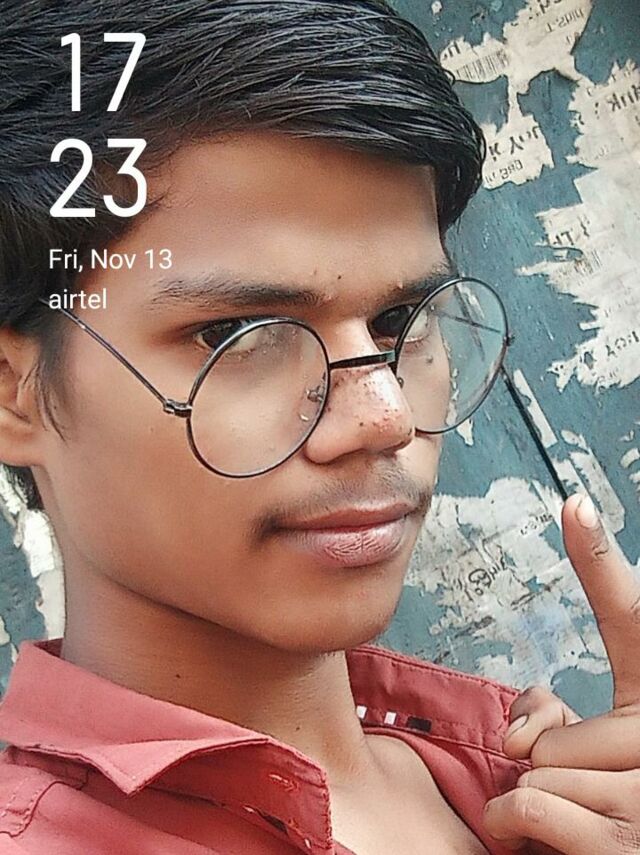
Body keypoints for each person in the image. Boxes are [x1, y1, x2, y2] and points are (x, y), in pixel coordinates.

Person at [1, 2, 639, 854]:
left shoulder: (530, 785)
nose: (383, 416)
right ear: (15, 393)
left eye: (401, 319)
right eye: (235, 334)